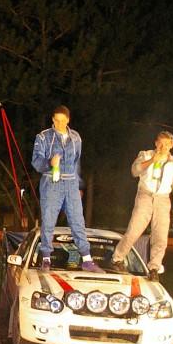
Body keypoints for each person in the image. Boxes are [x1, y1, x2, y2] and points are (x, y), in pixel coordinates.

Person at [31, 105, 103, 273]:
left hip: (70, 183)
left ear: (68, 120)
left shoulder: (76, 138)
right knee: (48, 221)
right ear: (52, 120)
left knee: (78, 221)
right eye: (56, 120)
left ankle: (86, 259)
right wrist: (50, 163)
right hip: (51, 183)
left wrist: (78, 185)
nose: (60, 124)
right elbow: (36, 162)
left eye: (63, 120)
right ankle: (46, 259)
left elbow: (76, 163)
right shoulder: (43, 137)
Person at [110, 131, 173, 281]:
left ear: (172, 145)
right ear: (156, 143)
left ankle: (154, 268)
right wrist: (151, 161)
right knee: (134, 230)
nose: (163, 147)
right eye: (160, 143)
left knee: (161, 236)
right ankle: (117, 259)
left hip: (163, 199)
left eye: (167, 144)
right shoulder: (145, 155)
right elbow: (134, 171)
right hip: (145, 195)